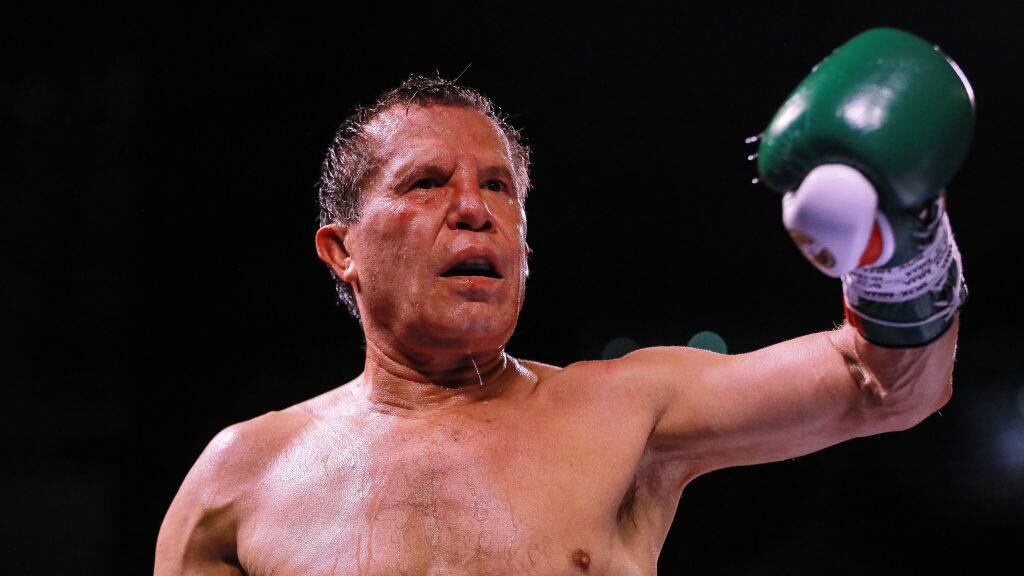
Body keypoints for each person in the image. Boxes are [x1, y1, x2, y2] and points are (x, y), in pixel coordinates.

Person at [155, 28, 969, 575]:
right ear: (343, 251)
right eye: (427, 182)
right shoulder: (240, 478)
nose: (473, 209)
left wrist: (903, 240)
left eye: (499, 188)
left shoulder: (623, 411)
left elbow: (884, 387)